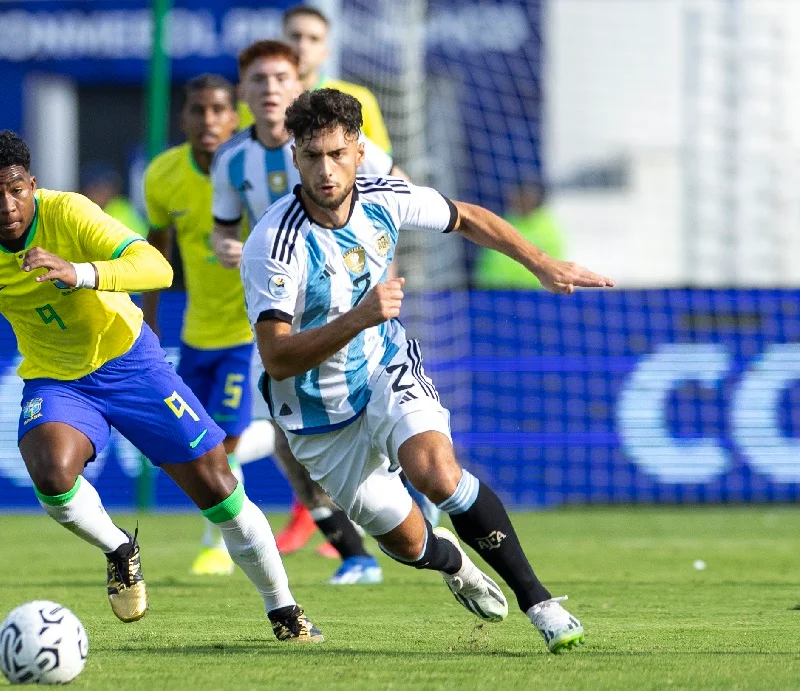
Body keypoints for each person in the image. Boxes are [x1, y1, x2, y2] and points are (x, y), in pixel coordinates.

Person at [0, 129, 321, 642]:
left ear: (33, 184)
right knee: (52, 476)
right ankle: (120, 549)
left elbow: (157, 268)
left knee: (219, 489)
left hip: (131, 363)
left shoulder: (71, 213)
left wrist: (78, 272)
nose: (7, 205)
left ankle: (284, 608)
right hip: (57, 378)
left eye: (16, 190)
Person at [240, 89, 614, 652]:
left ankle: (540, 605)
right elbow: (277, 357)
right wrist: (359, 316)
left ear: (359, 152)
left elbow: (467, 217)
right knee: (410, 543)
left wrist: (541, 263)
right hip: (318, 416)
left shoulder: (385, 198)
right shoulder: (273, 242)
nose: (326, 170)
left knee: (437, 473)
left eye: (337, 154)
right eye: (312, 156)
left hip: (383, 368)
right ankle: (455, 563)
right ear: (294, 157)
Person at [211, 39, 405, 585]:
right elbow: (222, 229)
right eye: (259, 80)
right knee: (287, 439)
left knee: (374, 416)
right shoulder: (232, 160)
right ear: (243, 91)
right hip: (283, 315)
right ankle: (356, 553)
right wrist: (226, 247)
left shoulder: (343, 145)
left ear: (299, 84)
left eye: (281, 78)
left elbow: (398, 196)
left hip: (354, 304)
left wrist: (380, 265)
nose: (270, 89)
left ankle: (413, 495)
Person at [141, 74, 255, 577]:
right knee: (196, 442)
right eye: (197, 109)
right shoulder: (162, 176)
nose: (208, 120)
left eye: (218, 109)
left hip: (250, 331)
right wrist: (148, 320)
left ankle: (220, 544)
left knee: (222, 445)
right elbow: (155, 252)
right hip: (196, 334)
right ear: (183, 117)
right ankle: (276, 441)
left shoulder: (254, 168)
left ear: (235, 116)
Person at [237, 4, 392, 154]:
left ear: (326, 51)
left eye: (314, 39)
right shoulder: (252, 102)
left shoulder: (359, 99)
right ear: (280, 42)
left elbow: (385, 164)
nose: (302, 46)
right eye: (295, 36)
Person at [474, 184, 567, 289]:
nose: (520, 200)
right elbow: (488, 261)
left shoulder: (547, 229)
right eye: (518, 195)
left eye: (526, 196)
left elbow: (551, 265)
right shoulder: (502, 222)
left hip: (533, 292)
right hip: (495, 291)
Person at [81, 164, 149, 239]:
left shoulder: (121, 210)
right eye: (97, 187)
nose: (103, 192)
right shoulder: (86, 212)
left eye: (107, 185)